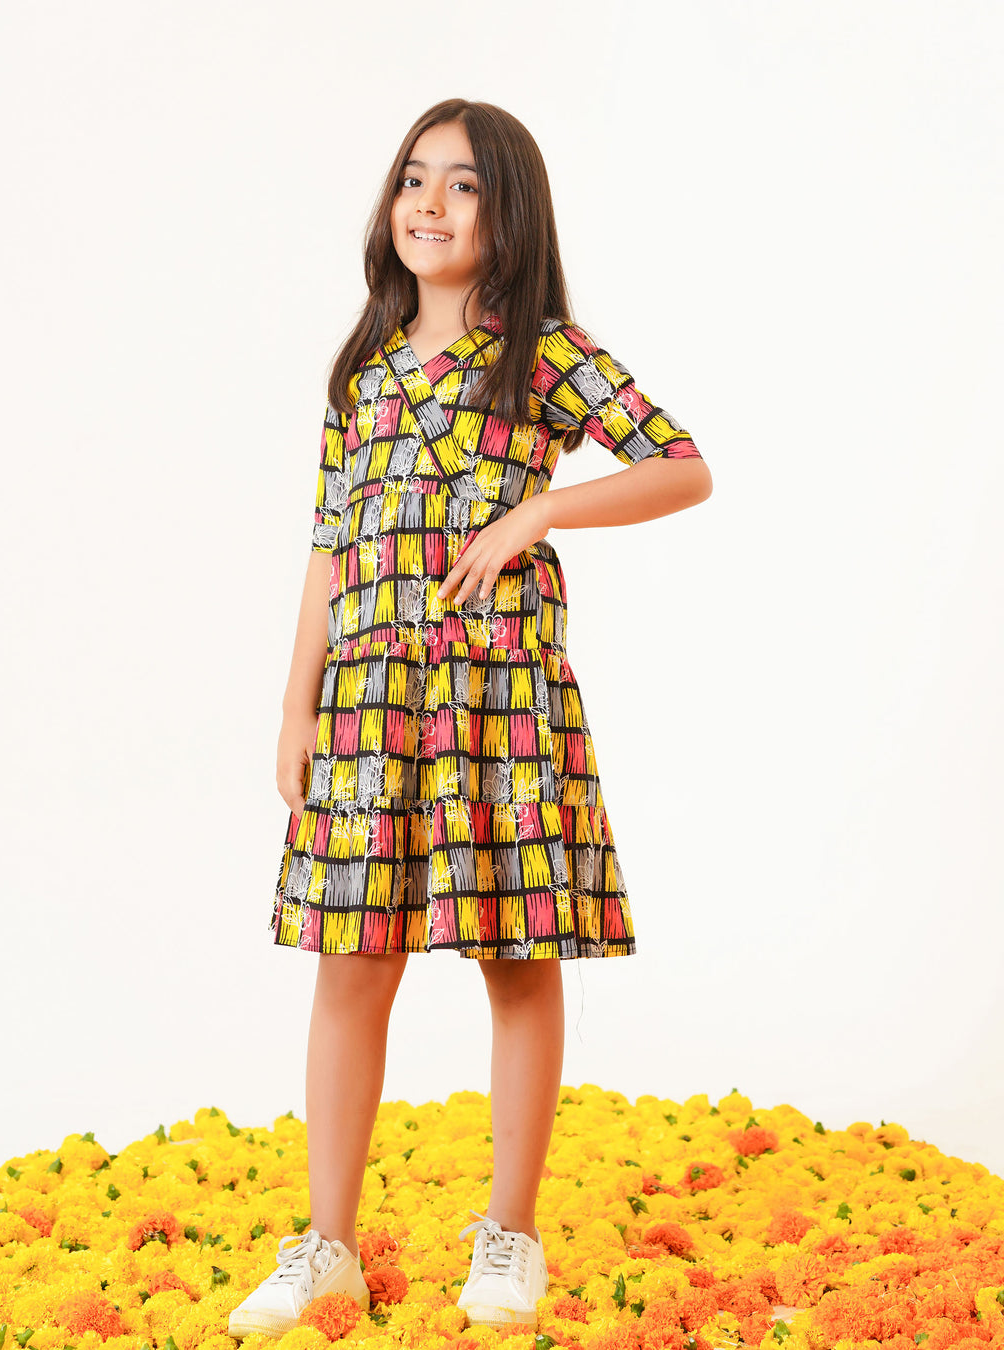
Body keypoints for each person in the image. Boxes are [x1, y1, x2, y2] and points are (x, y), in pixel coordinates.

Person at [228, 98, 712, 1341]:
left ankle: (511, 1234)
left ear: (511, 212)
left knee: (516, 954)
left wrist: (538, 513)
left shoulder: (539, 352)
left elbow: (681, 465)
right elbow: (330, 545)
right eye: (412, 179)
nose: (429, 204)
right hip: (368, 704)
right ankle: (328, 1247)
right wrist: (295, 703)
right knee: (351, 964)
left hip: (499, 699)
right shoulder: (364, 368)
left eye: (462, 185)